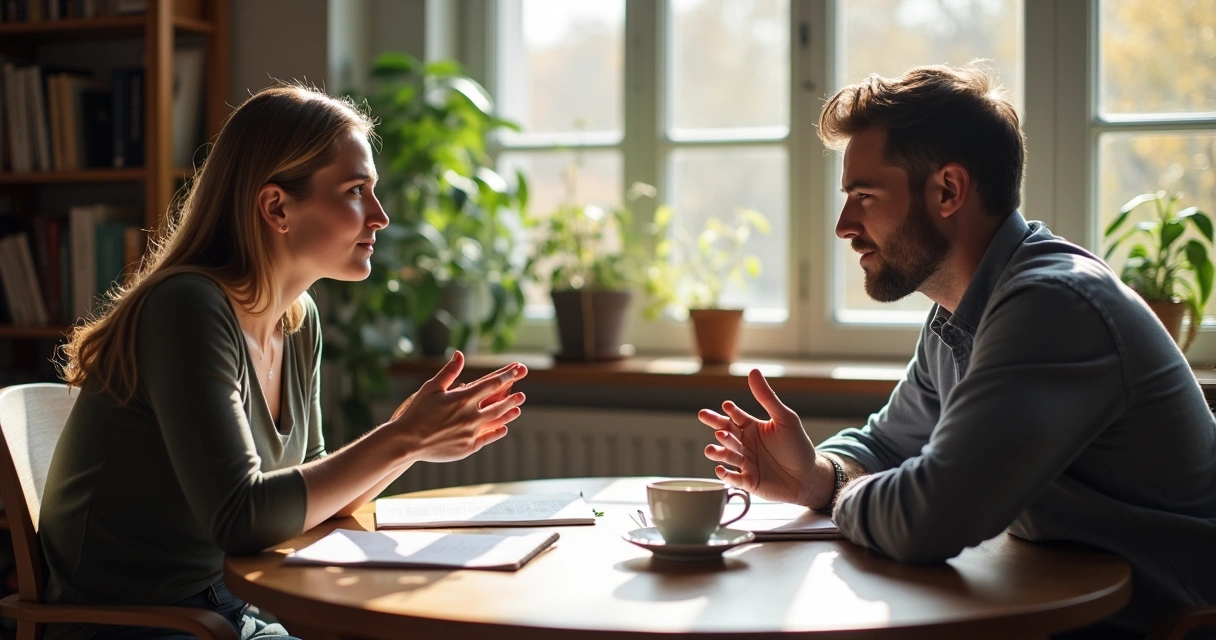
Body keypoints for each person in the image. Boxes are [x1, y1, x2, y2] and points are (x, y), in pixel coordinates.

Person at [700, 64, 1215, 638]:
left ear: (948, 190)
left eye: (864, 196)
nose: (844, 225)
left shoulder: (1053, 305)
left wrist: (843, 493)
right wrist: (816, 475)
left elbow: (931, 518)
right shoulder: (958, 315)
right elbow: (888, 444)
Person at [42, 84, 528, 640]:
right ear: (277, 207)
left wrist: (411, 438)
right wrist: (402, 438)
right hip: (142, 626)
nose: (380, 216)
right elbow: (242, 518)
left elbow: (314, 498)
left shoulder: (297, 320)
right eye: (356, 191)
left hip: (229, 612)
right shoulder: (187, 307)